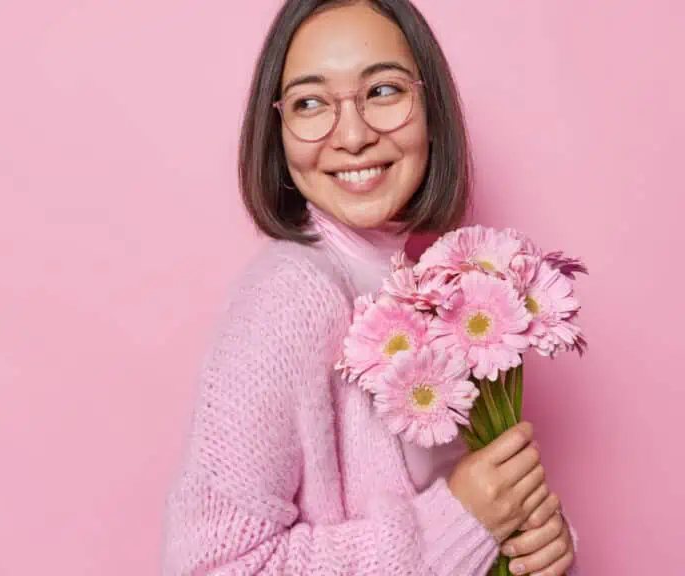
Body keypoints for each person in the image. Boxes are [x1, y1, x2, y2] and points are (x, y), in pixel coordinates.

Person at [161, 1, 579, 574]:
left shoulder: (427, 286)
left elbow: (455, 507)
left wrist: (539, 543)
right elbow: (214, 567)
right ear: (277, 131)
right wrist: (464, 523)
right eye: (310, 103)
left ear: (429, 105)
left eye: (383, 91)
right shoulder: (286, 303)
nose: (353, 136)